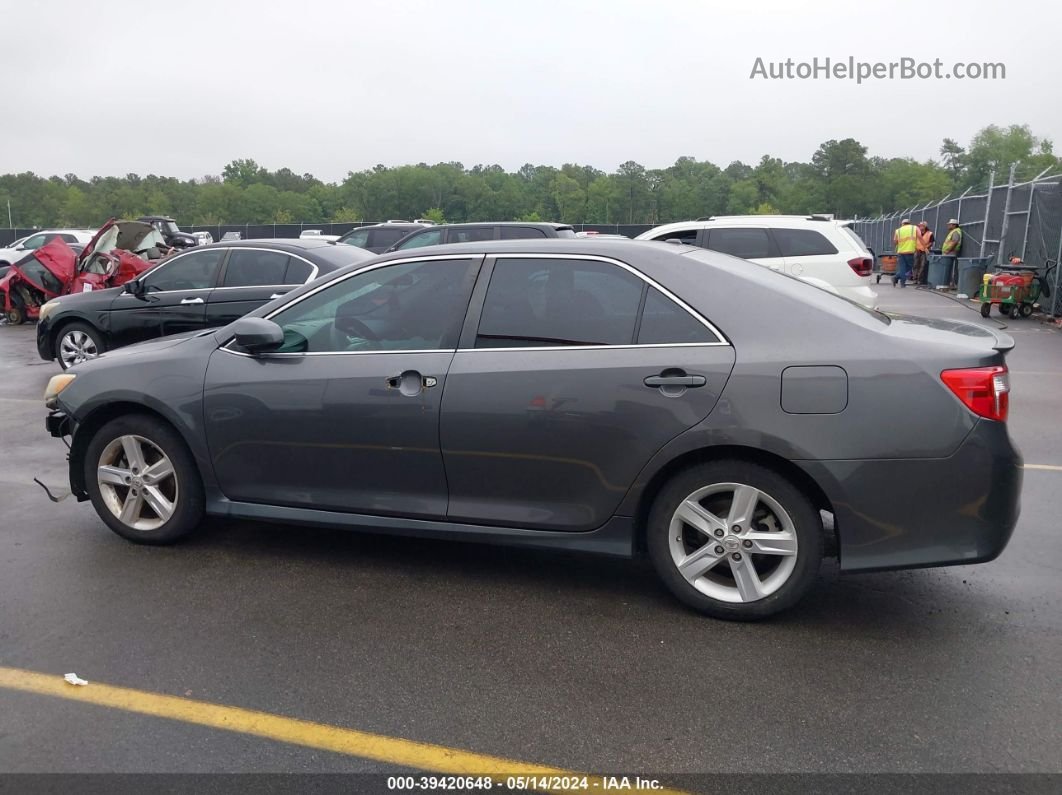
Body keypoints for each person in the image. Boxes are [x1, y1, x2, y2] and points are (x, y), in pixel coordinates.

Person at [892, 218, 919, 287]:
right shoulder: (913, 228)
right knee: (909, 267)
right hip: (910, 251)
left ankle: (896, 278)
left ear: (902, 224)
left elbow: (895, 241)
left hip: (901, 252)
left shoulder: (898, 230)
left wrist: (899, 244)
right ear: (909, 223)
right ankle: (900, 282)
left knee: (902, 268)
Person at [941, 219, 963, 287]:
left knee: (951, 268)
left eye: (949, 224)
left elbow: (955, 241)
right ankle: (949, 283)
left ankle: (952, 283)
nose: (948, 225)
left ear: (954, 225)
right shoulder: (953, 231)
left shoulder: (956, 232)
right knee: (948, 268)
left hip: (951, 252)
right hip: (949, 252)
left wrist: (948, 250)